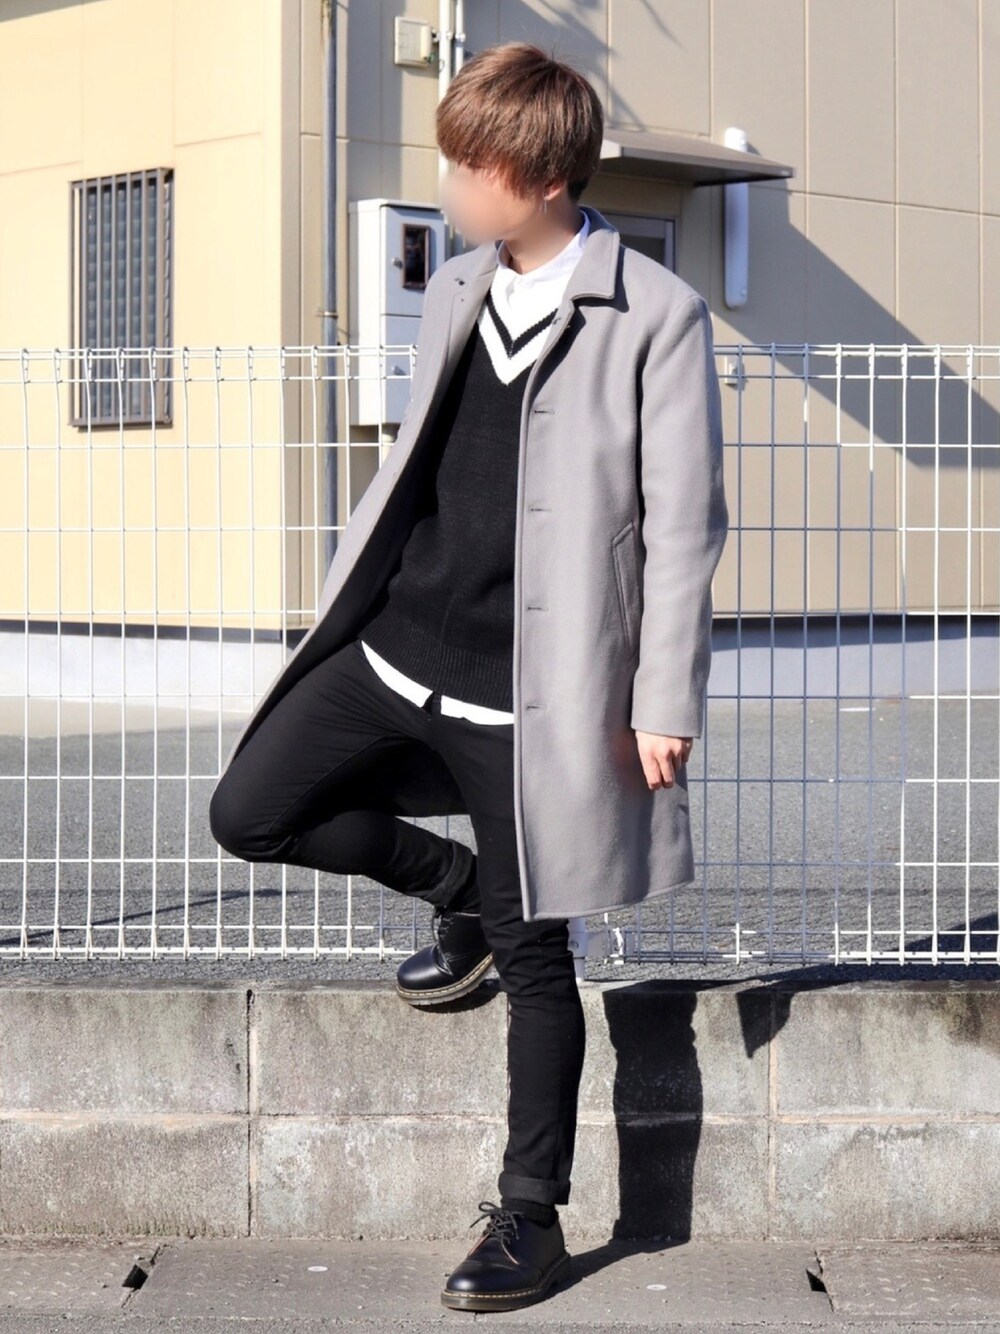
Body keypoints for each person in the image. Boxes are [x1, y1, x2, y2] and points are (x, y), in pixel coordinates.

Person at [210, 40, 728, 1315]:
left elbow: (684, 526)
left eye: (468, 165)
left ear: (540, 177)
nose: (447, 184)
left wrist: (662, 696)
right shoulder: (457, 284)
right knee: (250, 809)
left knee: (539, 957)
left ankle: (530, 1217)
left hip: (530, 694)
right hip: (396, 646)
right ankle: (453, 894)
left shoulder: (654, 314)